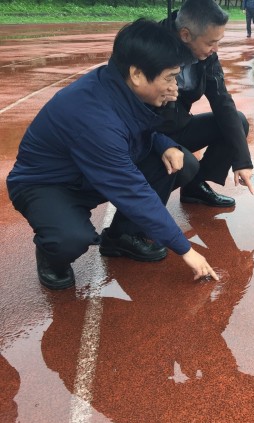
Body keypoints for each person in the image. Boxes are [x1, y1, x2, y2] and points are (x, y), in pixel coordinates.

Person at [6, 19, 219, 290]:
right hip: (49, 184)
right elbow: (130, 188)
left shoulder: (118, 83)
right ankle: (51, 255)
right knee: (71, 238)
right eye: (168, 78)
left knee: (180, 161)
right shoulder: (93, 116)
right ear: (138, 74)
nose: (173, 86)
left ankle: (122, 237)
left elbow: (141, 127)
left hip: (90, 171)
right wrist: (185, 249)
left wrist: (164, 142)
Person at [159, 0, 254, 208]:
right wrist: (162, 145)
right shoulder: (151, 46)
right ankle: (138, 214)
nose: (215, 49)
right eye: (211, 43)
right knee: (186, 163)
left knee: (237, 122)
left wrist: (243, 161)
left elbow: (222, 102)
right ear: (185, 35)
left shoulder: (205, 56)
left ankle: (194, 186)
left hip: (178, 125)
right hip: (146, 135)